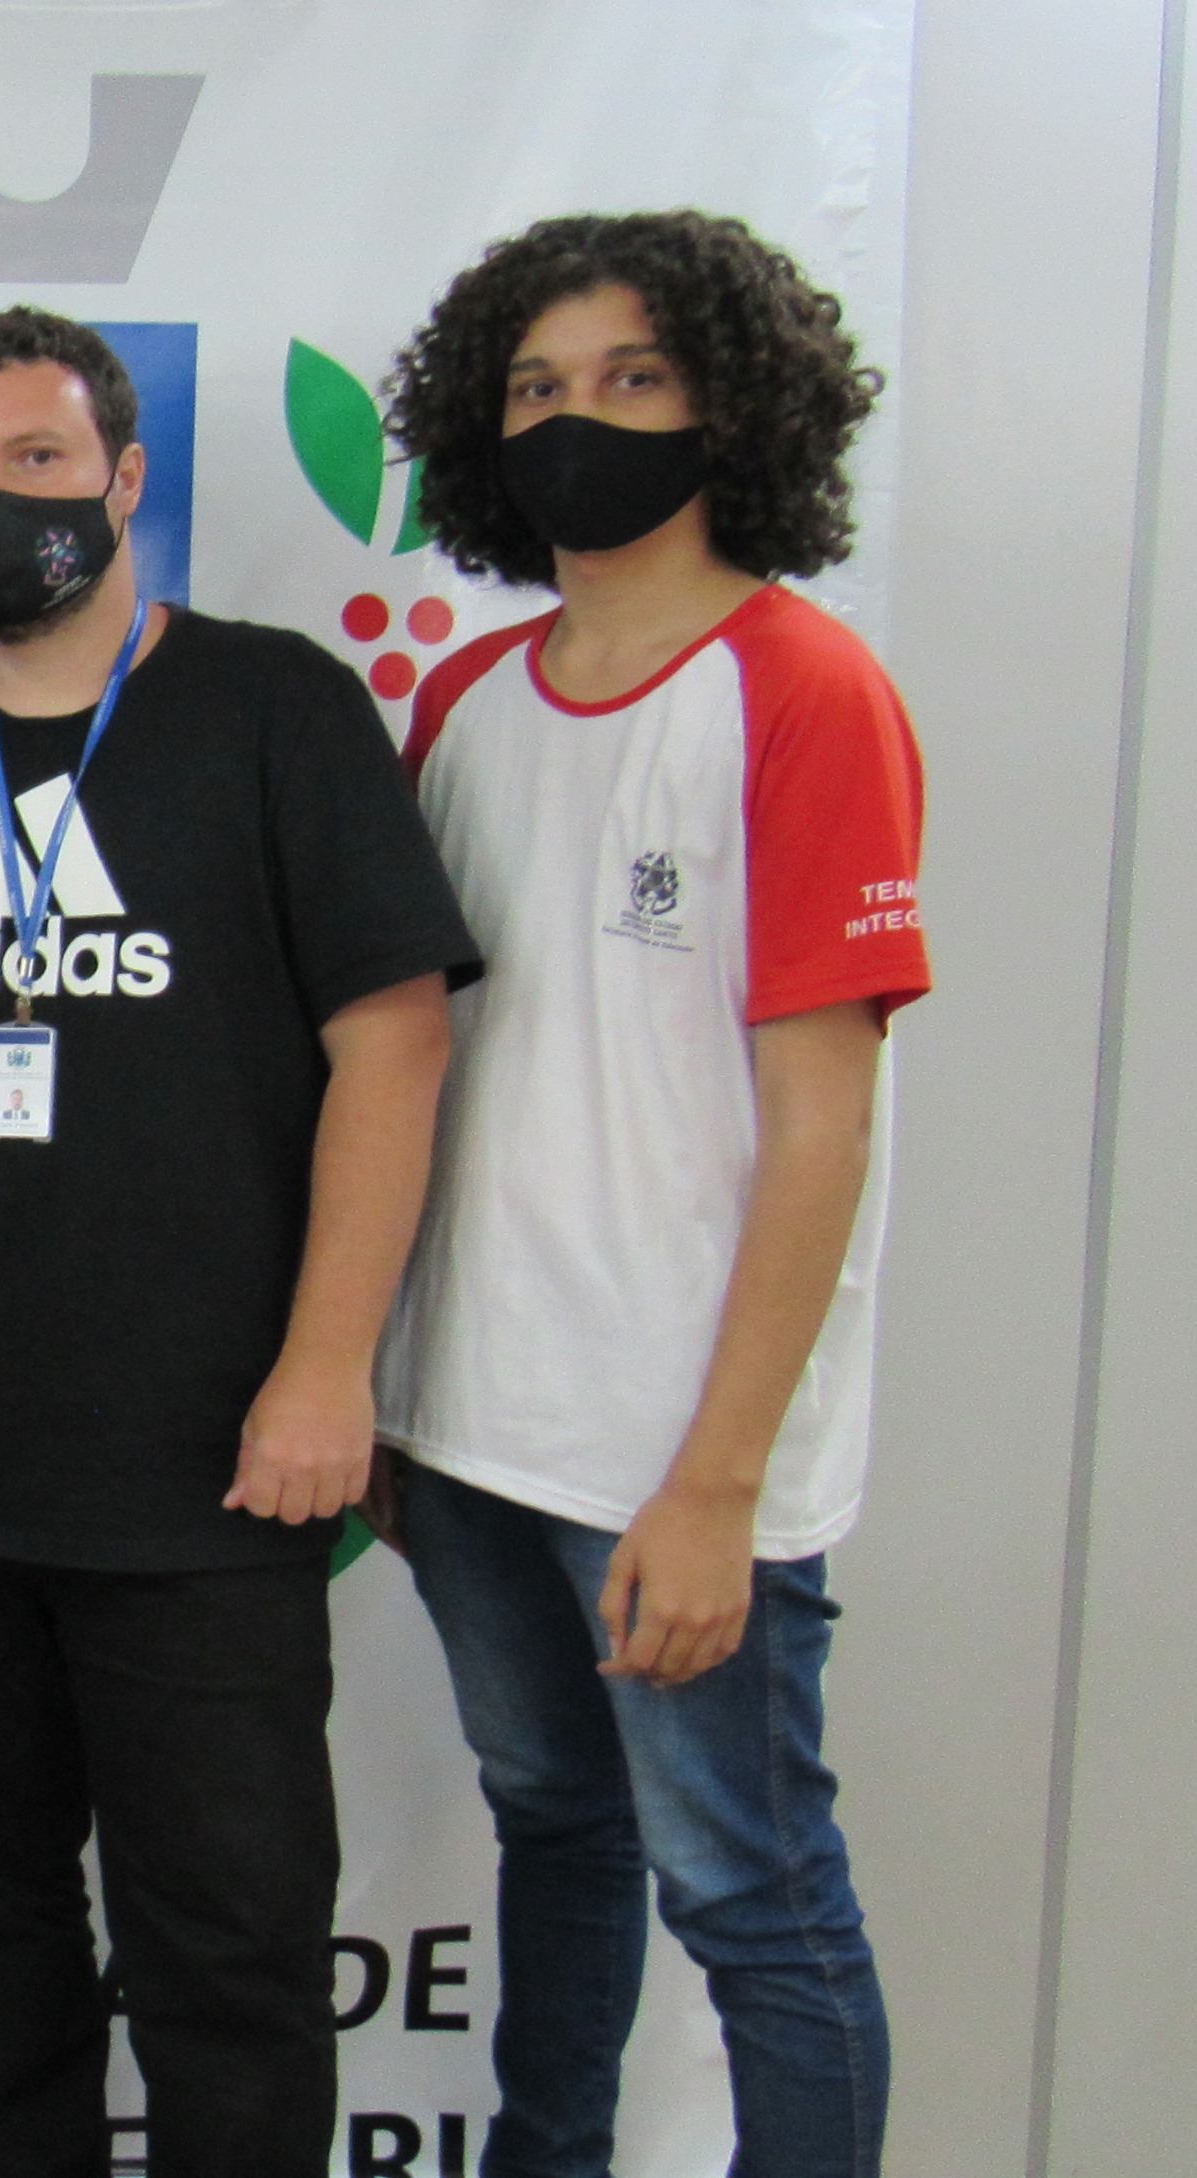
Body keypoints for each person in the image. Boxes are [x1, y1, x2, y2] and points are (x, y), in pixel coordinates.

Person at [0, 305, 477, 2177]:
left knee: (231, 1958)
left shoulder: (275, 709)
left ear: (124, 475)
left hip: (206, 1477)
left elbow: (397, 1043)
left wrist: (329, 1367)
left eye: (34, 457)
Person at [374, 211, 919, 2178]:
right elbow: (425, 1073)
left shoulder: (801, 690)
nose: (574, 420)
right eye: (534, 387)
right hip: (469, 1431)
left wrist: (717, 1487)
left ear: (732, 407)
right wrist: (391, 1397)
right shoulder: (466, 699)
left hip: (677, 1461)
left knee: (755, 1899)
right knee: (557, 1832)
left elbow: (824, 1129)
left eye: (631, 379)